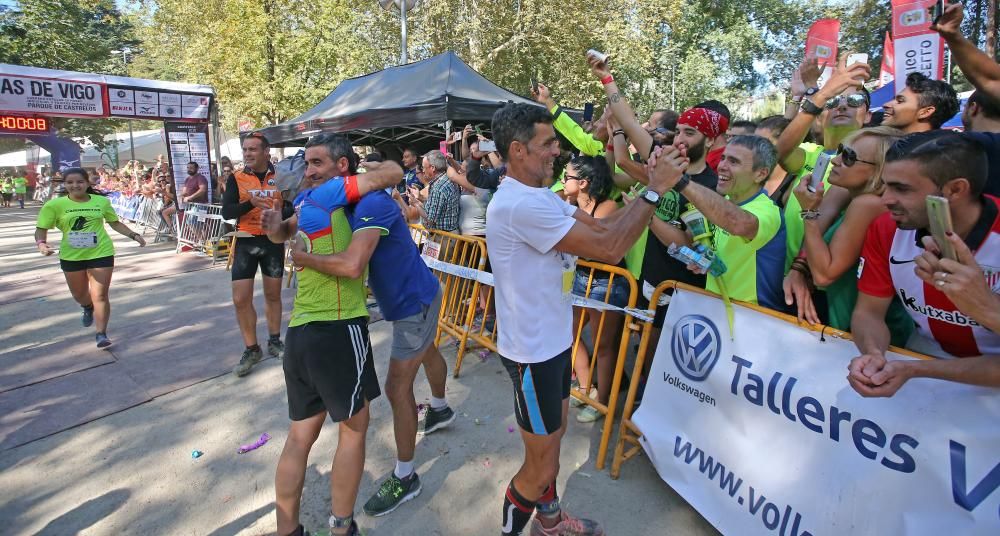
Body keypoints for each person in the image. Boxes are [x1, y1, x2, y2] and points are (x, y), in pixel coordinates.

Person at [487, 101, 682, 536]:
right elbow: (611, 248)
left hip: (552, 345)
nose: (557, 151)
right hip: (532, 354)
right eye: (548, 143)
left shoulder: (540, 196)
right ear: (518, 151)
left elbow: (600, 231)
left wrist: (646, 189)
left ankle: (551, 523)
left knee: (551, 450)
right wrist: (653, 190)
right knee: (539, 467)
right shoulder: (521, 206)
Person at [261, 133, 402, 536]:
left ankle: (287, 530)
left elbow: (282, 233)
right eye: (307, 163)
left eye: (315, 163)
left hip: (300, 336)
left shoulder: (305, 203)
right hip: (339, 332)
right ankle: (342, 527)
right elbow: (393, 172)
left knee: (299, 437)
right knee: (355, 428)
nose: (308, 171)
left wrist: (275, 228)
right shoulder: (330, 192)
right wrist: (373, 170)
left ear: (341, 163)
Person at [848, 130, 1000, 397]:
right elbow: (868, 313)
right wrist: (873, 353)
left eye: (901, 188)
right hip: (922, 355)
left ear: (955, 189)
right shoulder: (886, 229)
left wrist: (983, 305)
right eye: (886, 185)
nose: (885, 199)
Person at [785, 126, 912, 344]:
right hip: (853, 319)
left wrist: (809, 212)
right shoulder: (855, 192)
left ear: (879, 172)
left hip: (873, 331)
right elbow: (830, 207)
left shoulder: (868, 204)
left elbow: (824, 274)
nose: (835, 160)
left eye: (849, 157)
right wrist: (799, 268)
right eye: (841, 150)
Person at [650, 135, 787, 310]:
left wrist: (678, 179)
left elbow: (738, 223)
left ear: (760, 174)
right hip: (717, 313)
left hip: (755, 320)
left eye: (734, 161)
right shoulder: (724, 201)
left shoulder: (768, 211)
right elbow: (691, 243)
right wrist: (702, 261)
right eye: (723, 158)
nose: (722, 166)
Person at [34, 167, 146, 349]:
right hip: (72, 256)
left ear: (87, 183)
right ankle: (87, 306)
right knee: (79, 295)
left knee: (100, 295)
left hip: (101, 252)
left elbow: (115, 223)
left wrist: (134, 235)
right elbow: (41, 228)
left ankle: (101, 333)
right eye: (70, 182)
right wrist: (41, 243)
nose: (75, 185)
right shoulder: (54, 205)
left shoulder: (101, 202)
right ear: (64, 184)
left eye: (79, 182)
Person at [561, 154, 629, 424]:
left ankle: (602, 401)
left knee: (603, 344)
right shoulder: (567, 202)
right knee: (571, 335)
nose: (563, 182)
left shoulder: (608, 206)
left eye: (567, 177)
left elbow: (590, 238)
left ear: (584, 183)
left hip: (606, 281)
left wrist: (564, 211)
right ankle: (585, 387)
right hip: (580, 276)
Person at [222, 133, 290, 377]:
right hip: (246, 241)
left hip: (272, 241)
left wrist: (282, 213)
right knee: (241, 298)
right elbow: (227, 212)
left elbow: (291, 206)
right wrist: (250, 202)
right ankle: (252, 349)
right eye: (245, 149)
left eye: (252, 149)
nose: (248, 154)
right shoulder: (236, 178)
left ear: (265, 151)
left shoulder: (281, 176)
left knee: (273, 295)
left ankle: (274, 340)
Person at [881, 72, 959, 134]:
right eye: (894, 99)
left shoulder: (935, 152)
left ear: (925, 112)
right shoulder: (893, 148)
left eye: (900, 101)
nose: (885, 105)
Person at [414, 151, 460, 233]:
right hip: (447, 235)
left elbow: (430, 219)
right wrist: (421, 198)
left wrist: (415, 204)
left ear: (433, 168)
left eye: (424, 167)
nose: (423, 171)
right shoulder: (446, 180)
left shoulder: (438, 187)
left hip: (444, 237)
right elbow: (436, 206)